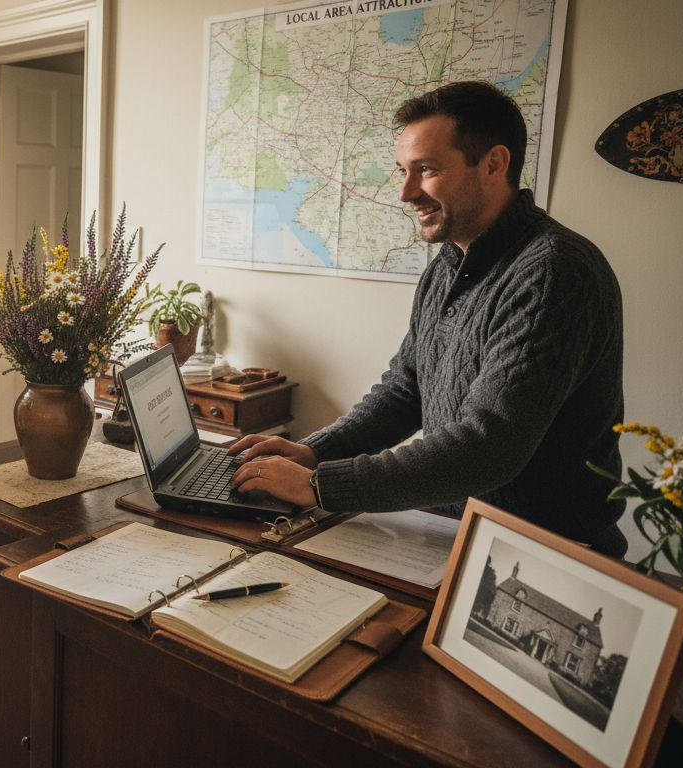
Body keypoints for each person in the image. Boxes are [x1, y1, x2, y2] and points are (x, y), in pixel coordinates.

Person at [229, 81, 627, 556]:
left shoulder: (554, 272)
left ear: (494, 164)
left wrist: (320, 486)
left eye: (427, 170)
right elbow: (406, 390)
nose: (405, 192)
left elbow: (486, 446)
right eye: (404, 171)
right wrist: (316, 451)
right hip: (455, 534)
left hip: (544, 557)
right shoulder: (448, 264)